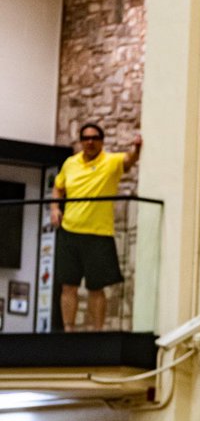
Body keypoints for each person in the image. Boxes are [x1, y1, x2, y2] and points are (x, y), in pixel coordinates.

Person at [50, 122, 142, 331]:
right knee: (68, 285)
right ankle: (69, 331)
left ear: (101, 141)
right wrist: (55, 209)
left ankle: (97, 332)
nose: (90, 142)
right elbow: (58, 187)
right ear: (81, 142)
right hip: (70, 231)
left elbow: (129, 160)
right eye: (86, 138)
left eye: (94, 138)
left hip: (98, 233)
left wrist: (136, 149)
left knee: (96, 287)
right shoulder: (70, 163)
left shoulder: (111, 161)